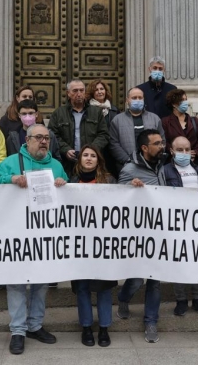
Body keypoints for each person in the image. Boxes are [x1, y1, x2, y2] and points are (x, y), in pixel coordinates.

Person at [0, 124, 68, 355]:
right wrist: (10, 179)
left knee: (41, 283)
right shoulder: (12, 161)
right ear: (27, 140)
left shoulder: (57, 165)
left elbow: (69, 197)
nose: (43, 142)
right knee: (17, 283)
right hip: (16, 233)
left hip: (45, 236)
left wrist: (64, 184)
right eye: (39, 138)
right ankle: (18, 330)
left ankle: (35, 325)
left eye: (47, 138)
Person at [117, 129, 166, 343]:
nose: (162, 146)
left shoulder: (166, 166)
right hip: (138, 234)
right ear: (145, 148)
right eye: (157, 143)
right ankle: (123, 298)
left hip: (161, 231)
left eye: (162, 142)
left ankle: (151, 321)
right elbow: (118, 196)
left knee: (155, 280)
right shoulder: (130, 168)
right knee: (136, 278)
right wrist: (130, 187)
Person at [69, 145, 117, 347]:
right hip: (78, 244)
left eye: (93, 156)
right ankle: (86, 327)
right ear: (79, 160)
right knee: (82, 288)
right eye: (85, 155)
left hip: (103, 244)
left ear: (99, 160)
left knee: (104, 288)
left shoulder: (110, 181)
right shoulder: (71, 182)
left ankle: (104, 328)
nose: (89, 159)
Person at [157, 136, 198, 317]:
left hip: (197, 224)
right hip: (175, 224)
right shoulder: (164, 171)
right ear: (171, 151)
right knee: (178, 262)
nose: (184, 153)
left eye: (187, 149)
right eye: (180, 150)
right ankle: (181, 300)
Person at [48, 79, 110, 176]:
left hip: (91, 164)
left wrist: (91, 150)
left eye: (81, 90)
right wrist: (65, 149)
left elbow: (104, 134)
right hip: (67, 164)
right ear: (68, 93)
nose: (79, 93)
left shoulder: (96, 112)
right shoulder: (58, 113)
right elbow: (53, 135)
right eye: (75, 91)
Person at [109, 87, 165, 172]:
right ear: (127, 100)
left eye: (140, 98)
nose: (137, 100)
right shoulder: (117, 120)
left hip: (152, 166)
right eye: (134, 98)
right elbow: (113, 143)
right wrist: (128, 160)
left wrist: (154, 156)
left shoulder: (155, 118)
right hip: (126, 167)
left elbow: (162, 140)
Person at [87, 78, 121, 177]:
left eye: (102, 89)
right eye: (96, 90)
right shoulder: (87, 109)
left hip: (110, 151)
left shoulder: (114, 110)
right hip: (94, 147)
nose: (99, 92)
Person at [161, 89, 198, 162]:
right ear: (173, 104)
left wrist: (196, 152)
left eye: (185, 99)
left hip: (193, 161)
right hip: (173, 160)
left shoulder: (194, 121)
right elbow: (164, 141)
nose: (185, 102)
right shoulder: (165, 122)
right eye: (182, 100)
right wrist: (176, 153)